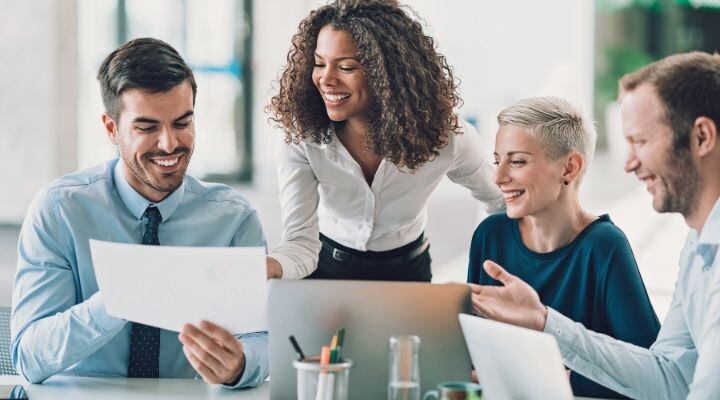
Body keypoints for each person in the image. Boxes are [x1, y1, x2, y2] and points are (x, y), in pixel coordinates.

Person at [11, 38, 269, 387]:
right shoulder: (59, 210)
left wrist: (240, 365)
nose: (169, 144)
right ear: (111, 128)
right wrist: (121, 297)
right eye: (147, 127)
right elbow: (29, 356)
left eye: (182, 123)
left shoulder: (233, 220)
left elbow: (262, 338)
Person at [470, 51, 720, 399]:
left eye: (640, 141)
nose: (628, 164)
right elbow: (670, 379)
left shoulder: (606, 244)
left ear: (702, 138)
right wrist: (545, 321)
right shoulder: (697, 249)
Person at [266, 0, 504, 280]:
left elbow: (501, 203)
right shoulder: (301, 137)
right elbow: (300, 245)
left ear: (386, 73)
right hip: (326, 265)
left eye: (346, 67)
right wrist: (267, 267)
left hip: (407, 270)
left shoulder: (446, 136)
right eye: (319, 63)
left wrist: (488, 266)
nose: (325, 79)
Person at [467, 96, 659, 398]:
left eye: (516, 161)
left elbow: (650, 375)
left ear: (569, 168)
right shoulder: (490, 235)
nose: (498, 176)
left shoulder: (604, 246)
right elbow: (470, 350)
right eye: (497, 160)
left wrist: (543, 378)